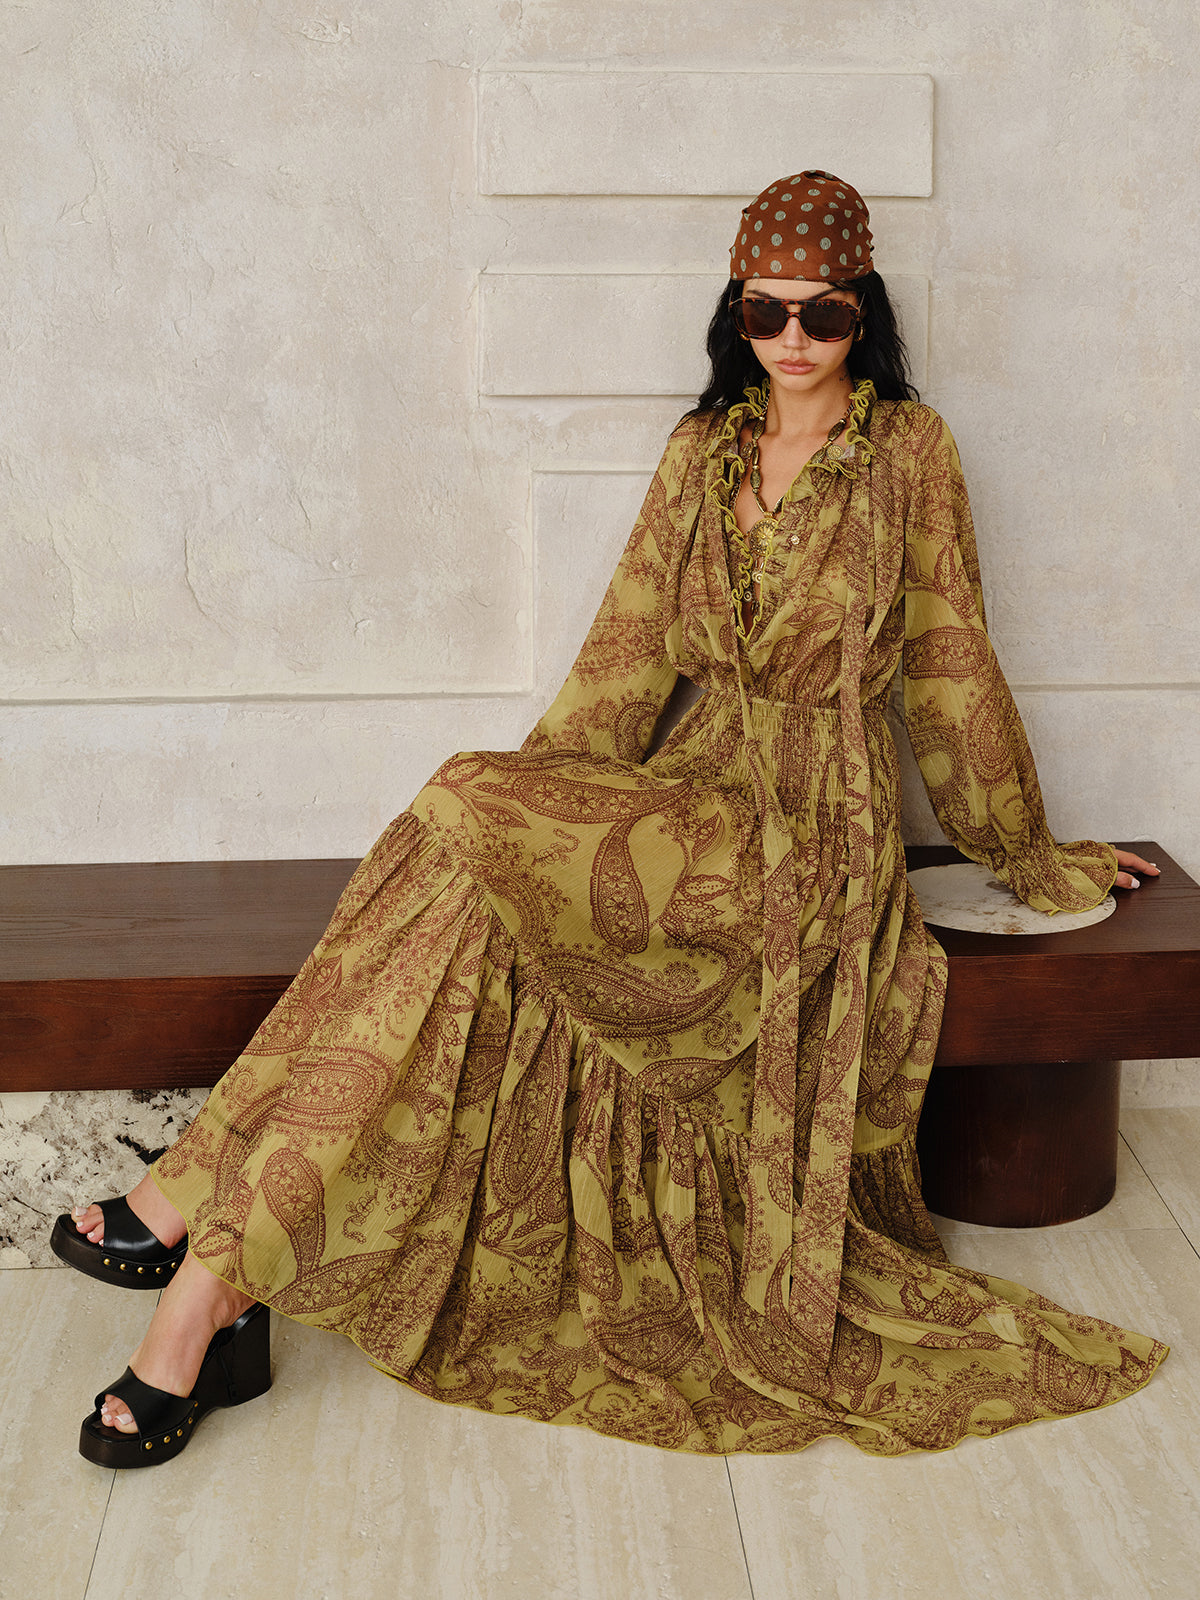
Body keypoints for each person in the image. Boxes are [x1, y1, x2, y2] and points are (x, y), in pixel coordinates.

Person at [56, 171, 1167, 1466]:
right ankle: (208, 1293)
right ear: (734, 314)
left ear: (863, 314)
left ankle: (184, 1222)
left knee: (463, 808)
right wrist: (529, 844)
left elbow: (950, 662)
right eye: (765, 312)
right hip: (687, 791)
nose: (793, 339)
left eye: (822, 313)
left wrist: (1025, 849)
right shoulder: (701, 453)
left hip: (815, 828)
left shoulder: (910, 452)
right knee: (468, 858)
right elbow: (623, 663)